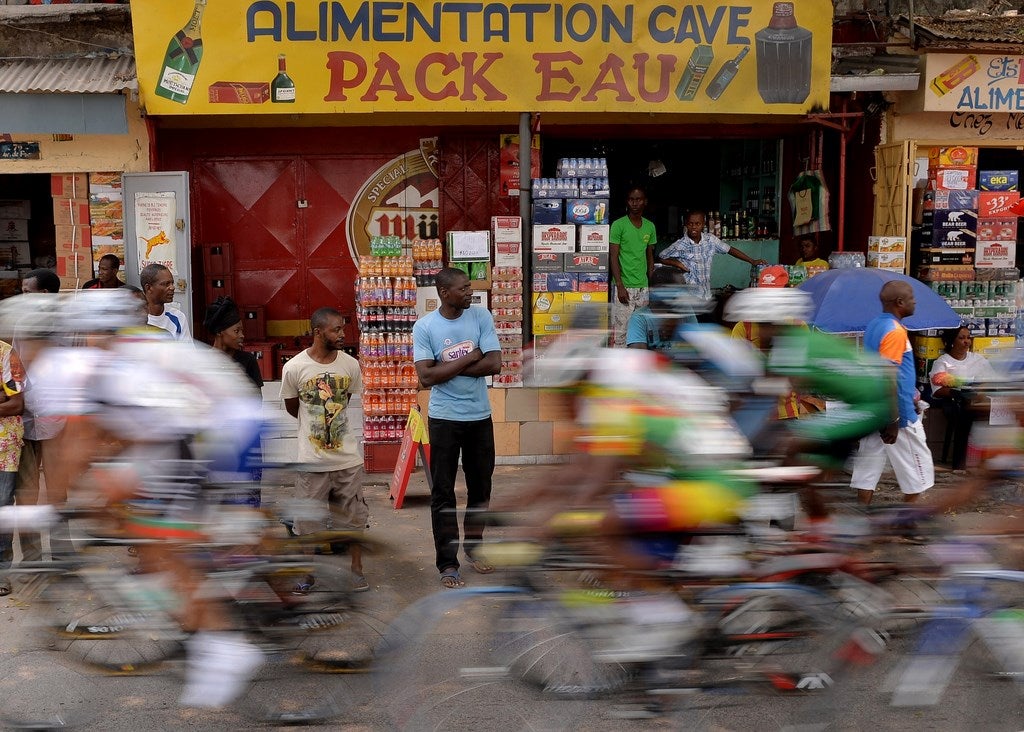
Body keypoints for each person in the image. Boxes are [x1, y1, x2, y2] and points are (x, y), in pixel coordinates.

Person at [412, 267, 501, 589]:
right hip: (444, 419)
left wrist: (445, 367)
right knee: (443, 494)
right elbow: (426, 377)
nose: (470, 293)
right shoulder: (425, 327)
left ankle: (475, 548)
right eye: (463, 289)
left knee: (481, 489)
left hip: (479, 417)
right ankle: (447, 563)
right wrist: (471, 356)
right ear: (444, 292)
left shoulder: (480, 317)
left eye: (470, 288)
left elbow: (494, 364)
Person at [279, 307, 368, 592]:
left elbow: (345, 400)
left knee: (354, 518)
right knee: (307, 521)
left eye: (343, 329)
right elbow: (295, 408)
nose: (343, 334)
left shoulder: (350, 365)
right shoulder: (294, 368)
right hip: (311, 461)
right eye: (336, 330)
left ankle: (357, 570)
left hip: (347, 459)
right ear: (318, 332)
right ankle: (308, 573)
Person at [850, 281, 934, 506]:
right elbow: (889, 375)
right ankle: (908, 523)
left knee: (867, 471)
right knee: (918, 474)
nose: (915, 301)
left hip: (874, 408)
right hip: (897, 414)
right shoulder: (895, 331)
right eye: (911, 297)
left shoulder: (875, 325)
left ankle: (860, 518)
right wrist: (895, 418)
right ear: (900, 302)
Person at [659, 210, 768, 301]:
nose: (693, 227)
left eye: (697, 224)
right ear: (686, 224)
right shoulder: (680, 244)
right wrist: (677, 263)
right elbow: (661, 256)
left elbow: (730, 250)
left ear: (703, 224)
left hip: (706, 296)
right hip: (689, 298)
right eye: (690, 223)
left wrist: (752, 261)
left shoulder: (710, 240)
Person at [929, 326, 997, 470]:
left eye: (968, 337)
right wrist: (959, 392)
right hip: (955, 402)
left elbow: (991, 379)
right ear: (951, 341)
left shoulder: (978, 359)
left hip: (977, 399)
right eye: (961, 338)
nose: (966, 341)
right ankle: (960, 464)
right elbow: (938, 391)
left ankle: (989, 461)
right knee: (965, 415)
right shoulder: (943, 362)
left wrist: (980, 391)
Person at [609, 187, 656, 347]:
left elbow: (650, 257)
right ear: (627, 202)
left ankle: (636, 366)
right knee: (621, 334)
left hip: (643, 288)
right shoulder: (618, 225)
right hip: (624, 287)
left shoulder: (650, 227)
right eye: (631, 199)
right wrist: (620, 285)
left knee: (641, 331)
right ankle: (618, 369)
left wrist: (650, 285)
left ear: (645, 202)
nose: (635, 203)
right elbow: (613, 256)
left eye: (639, 199)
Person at [625, 266, 698, 350]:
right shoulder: (639, 318)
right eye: (680, 288)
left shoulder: (686, 310)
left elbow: (697, 347)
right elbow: (638, 356)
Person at [204, 296, 263, 391]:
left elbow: (257, 400)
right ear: (219, 332)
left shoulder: (248, 360)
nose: (242, 335)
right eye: (236, 331)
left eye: (242, 331)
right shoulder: (202, 361)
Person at [141, 263, 192, 341]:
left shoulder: (178, 318)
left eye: (172, 283)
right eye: (166, 284)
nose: (172, 287)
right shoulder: (135, 318)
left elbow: (188, 352)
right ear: (149, 288)